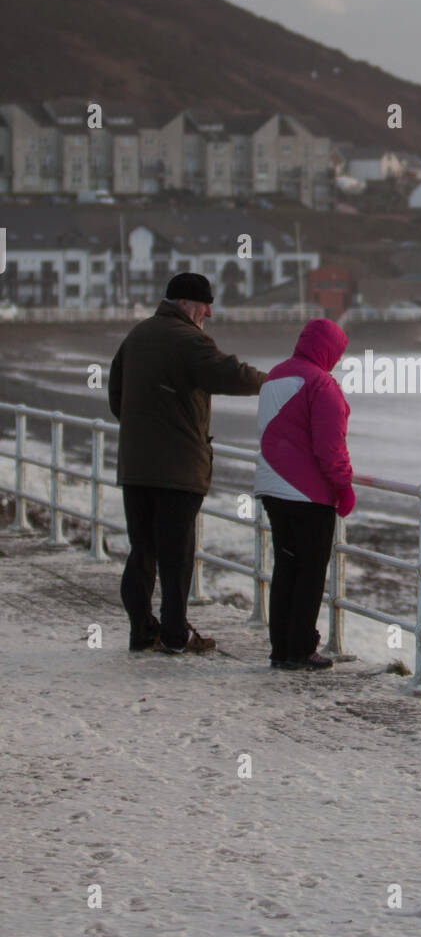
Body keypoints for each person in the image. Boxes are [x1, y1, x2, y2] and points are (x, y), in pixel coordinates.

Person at [108, 272, 267, 654]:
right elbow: (230, 373)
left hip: (136, 466)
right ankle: (176, 637)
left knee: (142, 551)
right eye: (205, 304)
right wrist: (276, 380)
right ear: (185, 304)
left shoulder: (137, 336)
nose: (209, 312)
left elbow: (117, 399)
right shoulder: (189, 340)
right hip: (178, 470)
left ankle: (142, 631)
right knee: (176, 557)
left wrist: (143, 431)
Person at [254, 317, 355, 671]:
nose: (338, 360)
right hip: (308, 493)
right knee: (310, 573)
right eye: (337, 352)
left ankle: (281, 648)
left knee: (286, 568)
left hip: (271, 487)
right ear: (327, 348)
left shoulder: (275, 376)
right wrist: (343, 486)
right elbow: (329, 447)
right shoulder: (321, 384)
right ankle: (300, 648)